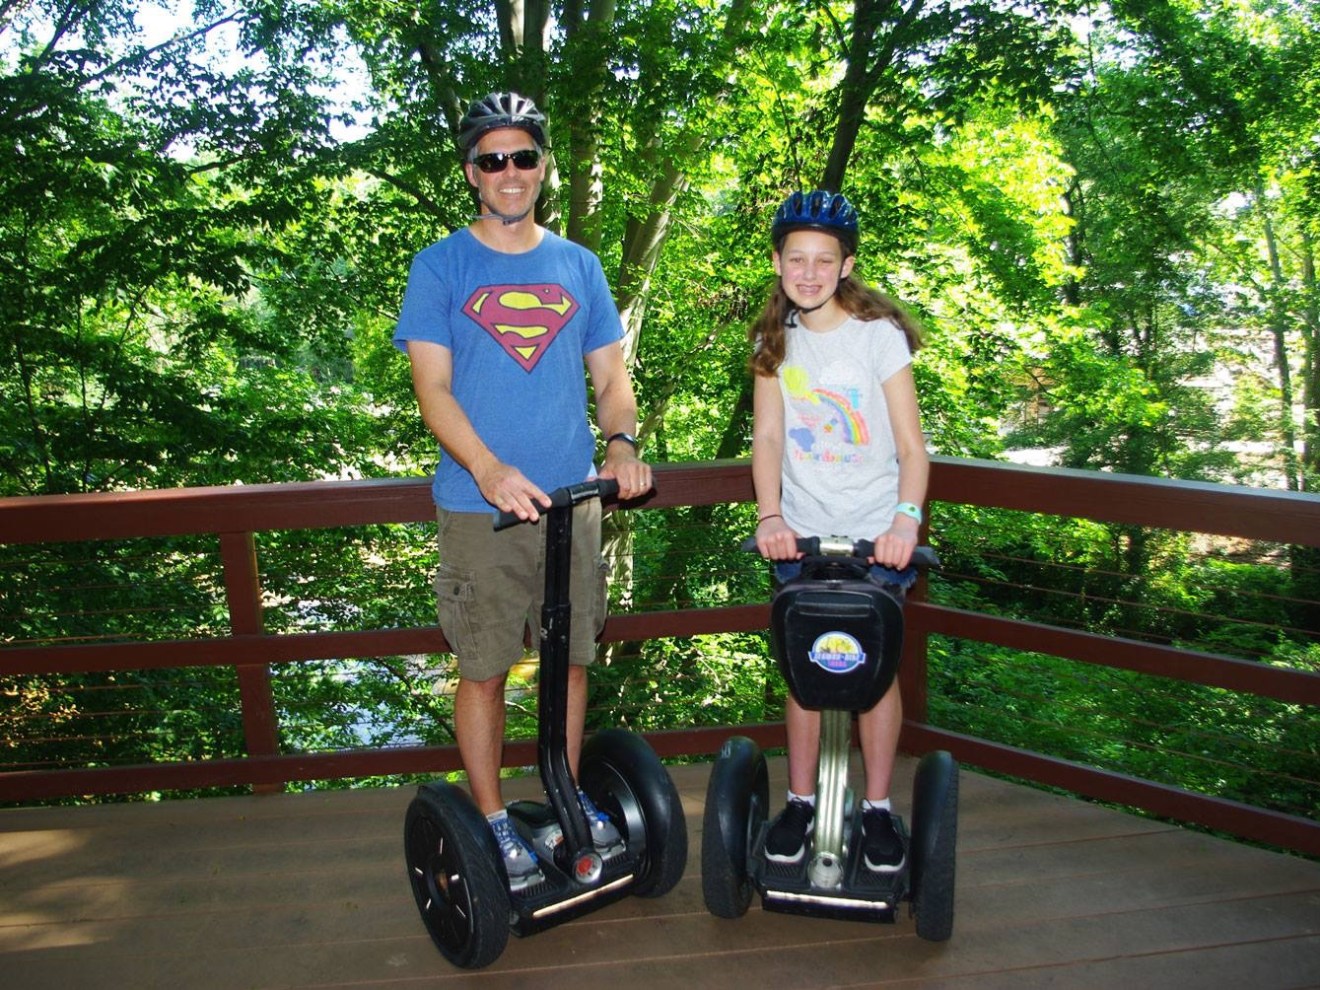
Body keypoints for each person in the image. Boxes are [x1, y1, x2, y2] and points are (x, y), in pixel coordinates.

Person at [393, 92, 653, 891]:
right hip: (481, 510)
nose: (510, 173)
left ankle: (568, 797)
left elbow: (612, 378)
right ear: (472, 173)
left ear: (544, 166)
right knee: (484, 665)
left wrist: (622, 443)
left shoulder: (579, 266)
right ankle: (495, 820)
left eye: (524, 157)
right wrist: (488, 468)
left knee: (570, 661)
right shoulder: (442, 264)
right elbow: (432, 390)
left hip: (573, 503)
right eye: (492, 159)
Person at [749, 189, 929, 873]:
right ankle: (800, 800)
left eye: (825, 259)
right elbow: (767, 436)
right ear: (778, 262)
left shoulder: (877, 339)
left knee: (873, 675)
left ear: (847, 265)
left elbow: (912, 449)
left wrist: (903, 523)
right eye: (797, 258)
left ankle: (877, 806)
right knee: (807, 673)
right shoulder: (776, 340)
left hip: (873, 536)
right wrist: (771, 514)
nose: (810, 272)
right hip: (803, 534)